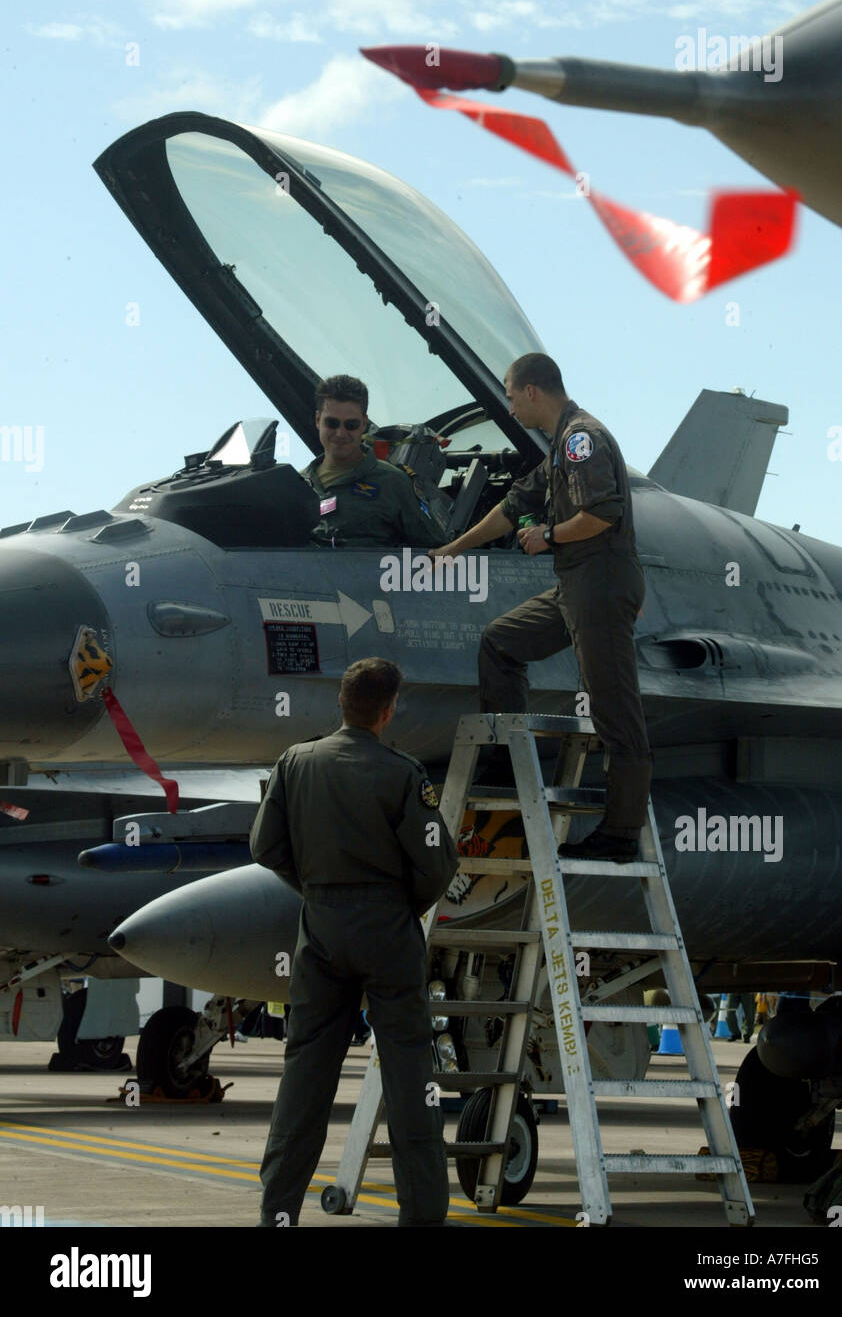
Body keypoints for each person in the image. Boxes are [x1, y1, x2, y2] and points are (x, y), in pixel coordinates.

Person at [250, 657, 459, 1227]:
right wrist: (398, 907)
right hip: (388, 931)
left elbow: (265, 847)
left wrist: (318, 890)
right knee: (412, 1078)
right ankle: (421, 1216)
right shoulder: (403, 773)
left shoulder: (296, 762)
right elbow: (438, 864)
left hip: (320, 930)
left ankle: (277, 1213)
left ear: (340, 705)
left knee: (305, 1075)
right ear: (388, 711)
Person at [431, 352, 652, 862]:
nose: (508, 408)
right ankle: (506, 766)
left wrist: (549, 535)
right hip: (575, 585)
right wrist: (451, 551)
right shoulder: (558, 451)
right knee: (500, 641)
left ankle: (620, 835)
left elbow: (601, 514)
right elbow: (510, 510)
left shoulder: (581, 440)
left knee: (614, 709)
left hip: (599, 584)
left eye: (509, 396)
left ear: (532, 391)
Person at [300, 374, 447, 550]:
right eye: (332, 423)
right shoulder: (296, 485)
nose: (340, 433)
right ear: (318, 420)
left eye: (351, 425)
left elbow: (438, 552)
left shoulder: (393, 483)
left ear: (364, 424)